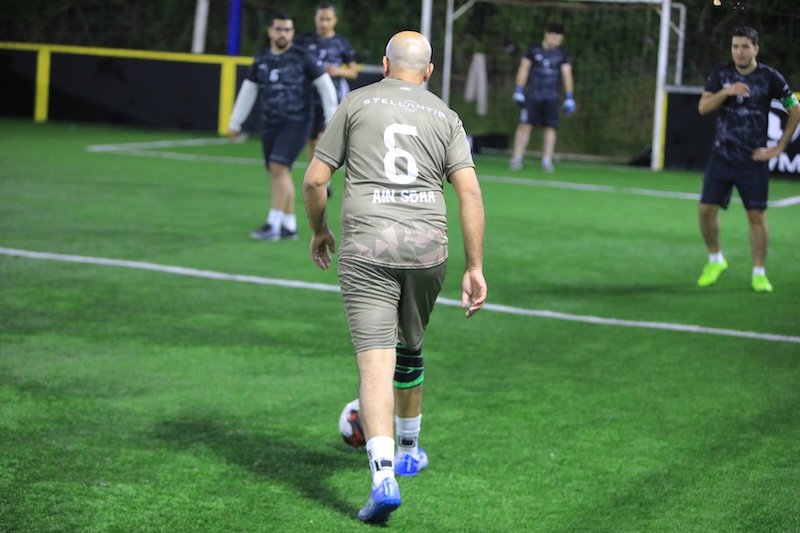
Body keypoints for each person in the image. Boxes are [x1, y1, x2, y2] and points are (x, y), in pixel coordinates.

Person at [303, 31, 487, 524]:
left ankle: (383, 477)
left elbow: (316, 179)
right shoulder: (446, 116)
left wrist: (320, 231)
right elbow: (470, 193)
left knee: (375, 367)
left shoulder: (355, 102)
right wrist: (474, 267)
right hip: (428, 249)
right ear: (428, 72)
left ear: (384, 65)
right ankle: (408, 450)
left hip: (368, 246)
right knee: (410, 346)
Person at [696, 26, 800, 292]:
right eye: (735, 46)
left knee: (756, 216)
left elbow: (795, 109)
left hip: (753, 161)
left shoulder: (770, 77)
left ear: (756, 49)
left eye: (745, 46)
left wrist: (779, 147)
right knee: (705, 210)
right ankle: (715, 259)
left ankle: (759, 273)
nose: (739, 52)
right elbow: (703, 107)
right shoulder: (721, 74)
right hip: (721, 157)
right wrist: (726, 92)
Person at [228, 13, 338, 241]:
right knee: (278, 172)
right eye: (279, 29)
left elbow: (325, 85)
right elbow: (249, 89)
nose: (283, 34)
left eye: (287, 30)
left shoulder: (303, 56)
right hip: (270, 123)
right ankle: (289, 226)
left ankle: (273, 224)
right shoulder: (262, 58)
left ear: (292, 33)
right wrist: (235, 121)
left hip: (297, 121)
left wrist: (331, 117)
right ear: (270, 31)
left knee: (278, 166)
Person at [509, 23, 575, 173]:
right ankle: (517, 157)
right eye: (555, 38)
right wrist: (519, 90)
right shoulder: (533, 50)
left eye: (559, 39)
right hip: (533, 94)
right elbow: (524, 69)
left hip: (552, 96)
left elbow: (567, 75)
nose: (557, 41)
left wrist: (569, 96)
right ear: (547, 35)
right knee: (525, 124)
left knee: (550, 127)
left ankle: (547, 160)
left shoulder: (562, 54)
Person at [296, 2, 359, 159]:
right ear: (315, 18)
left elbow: (353, 72)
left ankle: (324, 174)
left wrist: (337, 71)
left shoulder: (341, 43)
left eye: (328, 19)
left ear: (335, 20)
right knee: (311, 141)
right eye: (321, 19)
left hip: (331, 98)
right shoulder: (305, 40)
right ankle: (313, 173)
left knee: (323, 140)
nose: (324, 23)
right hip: (309, 97)